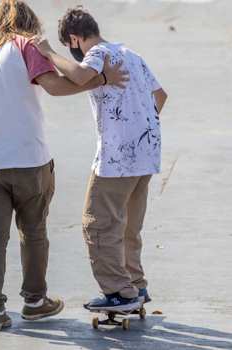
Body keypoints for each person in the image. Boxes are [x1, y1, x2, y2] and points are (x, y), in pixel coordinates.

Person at [0, 0, 128, 331]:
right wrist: (101, 79)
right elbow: (56, 87)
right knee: (32, 231)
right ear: (27, 22)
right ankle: (34, 302)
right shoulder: (25, 46)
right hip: (27, 160)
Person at [33, 6, 168, 312]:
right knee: (128, 226)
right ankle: (137, 284)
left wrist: (48, 53)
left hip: (117, 158)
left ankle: (119, 292)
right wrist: (139, 124)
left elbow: (80, 76)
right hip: (145, 155)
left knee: (97, 224)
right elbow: (160, 96)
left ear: (75, 39)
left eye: (72, 48)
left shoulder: (98, 54)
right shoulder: (131, 54)